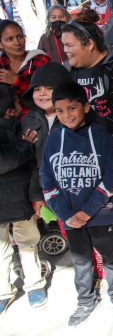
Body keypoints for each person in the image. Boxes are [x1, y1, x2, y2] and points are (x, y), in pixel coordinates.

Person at [39, 82, 113, 326]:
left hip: (100, 213)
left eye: (72, 108)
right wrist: (66, 215)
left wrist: (87, 211)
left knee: (110, 256)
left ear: (86, 107)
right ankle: (85, 300)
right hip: (69, 216)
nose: (67, 115)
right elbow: (46, 178)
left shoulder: (100, 136)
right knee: (80, 260)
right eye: (60, 111)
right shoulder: (53, 138)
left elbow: (112, 176)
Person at [0, 86, 46, 314]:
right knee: (4, 249)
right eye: (18, 104)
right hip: (13, 204)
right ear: (9, 111)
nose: (21, 107)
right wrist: (25, 147)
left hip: (21, 201)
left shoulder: (23, 129)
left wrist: (35, 196)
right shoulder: (22, 137)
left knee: (28, 244)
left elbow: (34, 168)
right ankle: (4, 291)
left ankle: (34, 284)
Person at [62, 9, 113, 135]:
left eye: (69, 45)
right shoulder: (68, 70)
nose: (65, 50)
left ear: (89, 44)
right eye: (64, 45)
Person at [0, 20, 50, 102]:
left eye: (19, 36)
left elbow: (47, 94)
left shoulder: (39, 59)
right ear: (1, 44)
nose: (17, 43)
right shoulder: (1, 64)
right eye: (10, 39)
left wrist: (17, 81)